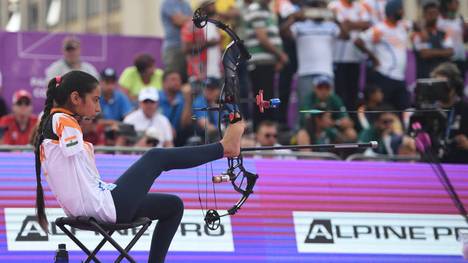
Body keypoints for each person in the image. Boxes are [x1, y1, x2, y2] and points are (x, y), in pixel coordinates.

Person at [33, 70, 245, 263]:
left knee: (173, 206)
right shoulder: (63, 120)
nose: (98, 108)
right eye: (95, 100)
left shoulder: (53, 122)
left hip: (96, 206)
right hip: (103, 207)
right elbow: (70, 146)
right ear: (75, 98)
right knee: (156, 157)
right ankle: (224, 148)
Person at [280, 0, 347, 112]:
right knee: (305, 109)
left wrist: (336, 19)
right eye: (314, 7)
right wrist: (294, 18)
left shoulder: (331, 26)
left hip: (326, 72)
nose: (317, 11)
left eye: (320, 7)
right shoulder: (300, 26)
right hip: (305, 73)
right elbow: (283, 33)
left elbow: (346, 36)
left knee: (327, 109)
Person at [354, 0, 411, 110]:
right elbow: (358, 41)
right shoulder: (380, 29)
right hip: (385, 75)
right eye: (400, 9)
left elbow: (416, 25)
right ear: (392, 11)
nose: (403, 12)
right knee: (385, 110)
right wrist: (373, 57)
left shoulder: (403, 26)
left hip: (400, 77)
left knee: (405, 109)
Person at [245, 0, 287, 128]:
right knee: (263, 99)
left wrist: (277, 59)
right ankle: (262, 131)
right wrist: (280, 55)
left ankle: (268, 130)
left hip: (269, 62)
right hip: (260, 63)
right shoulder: (256, 9)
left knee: (269, 98)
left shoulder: (267, 10)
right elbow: (262, 38)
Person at [328, 0, 371, 111]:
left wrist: (349, 24)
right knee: (339, 92)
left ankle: (352, 120)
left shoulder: (360, 6)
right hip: (338, 58)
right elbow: (341, 28)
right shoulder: (334, 5)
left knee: (353, 93)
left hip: (355, 58)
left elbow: (367, 24)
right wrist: (355, 25)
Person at [429, 63, 468, 164]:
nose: (440, 90)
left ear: (454, 86)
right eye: (437, 85)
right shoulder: (427, 111)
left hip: (460, 168)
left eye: (443, 85)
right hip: (433, 167)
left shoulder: (465, 109)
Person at [181, 0, 222, 84]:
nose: (213, 7)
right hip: (200, 73)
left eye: (213, 4)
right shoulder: (193, 25)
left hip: (216, 70)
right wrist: (207, 43)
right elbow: (186, 48)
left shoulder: (214, 23)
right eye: (209, 5)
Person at [412, 2, 454, 79]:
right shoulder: (418, 34)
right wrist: (443, 51)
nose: (434, 16)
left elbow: (450, 51)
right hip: (425, 79)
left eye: (435, 13)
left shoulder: (443, 33)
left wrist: (431, 52)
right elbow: (424, 53)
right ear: (424, 15)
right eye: (430, 13)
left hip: (442, 78)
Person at [159, 71, 193, 146]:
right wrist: (168, 128)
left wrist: (188, 99)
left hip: (177, 138)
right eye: (173, 79)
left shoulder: (182, 99)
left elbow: (186, 123)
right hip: (158, 135)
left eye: (179, 80)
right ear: (164, 83)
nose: (177, 82)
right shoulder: (156, 97)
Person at [161, 0, 192, 80]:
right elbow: (179, 21)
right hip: (173, 47)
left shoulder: (186, 4)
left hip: (188, 47)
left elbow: (192, 22)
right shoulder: (168, 2)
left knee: (187, 79)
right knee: (173, 78)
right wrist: (192, 18)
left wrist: (187, 18)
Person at [438, 0, 468, 81]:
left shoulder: (460, 20)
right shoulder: (440, 21)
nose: (458, 4)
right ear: (448, 4)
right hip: (448, 59)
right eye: (456, 2)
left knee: (460, 85)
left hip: (460, 58)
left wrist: (466, 30)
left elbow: (464, 40)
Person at [192, 77, 222, 142]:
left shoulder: (225, 101)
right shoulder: (199, 101)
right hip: (207, 139)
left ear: (218, 90)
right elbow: (206, 126)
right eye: (206, 88)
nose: (208, 91)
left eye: (211, 89)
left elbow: (239, 121)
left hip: (226, 135)